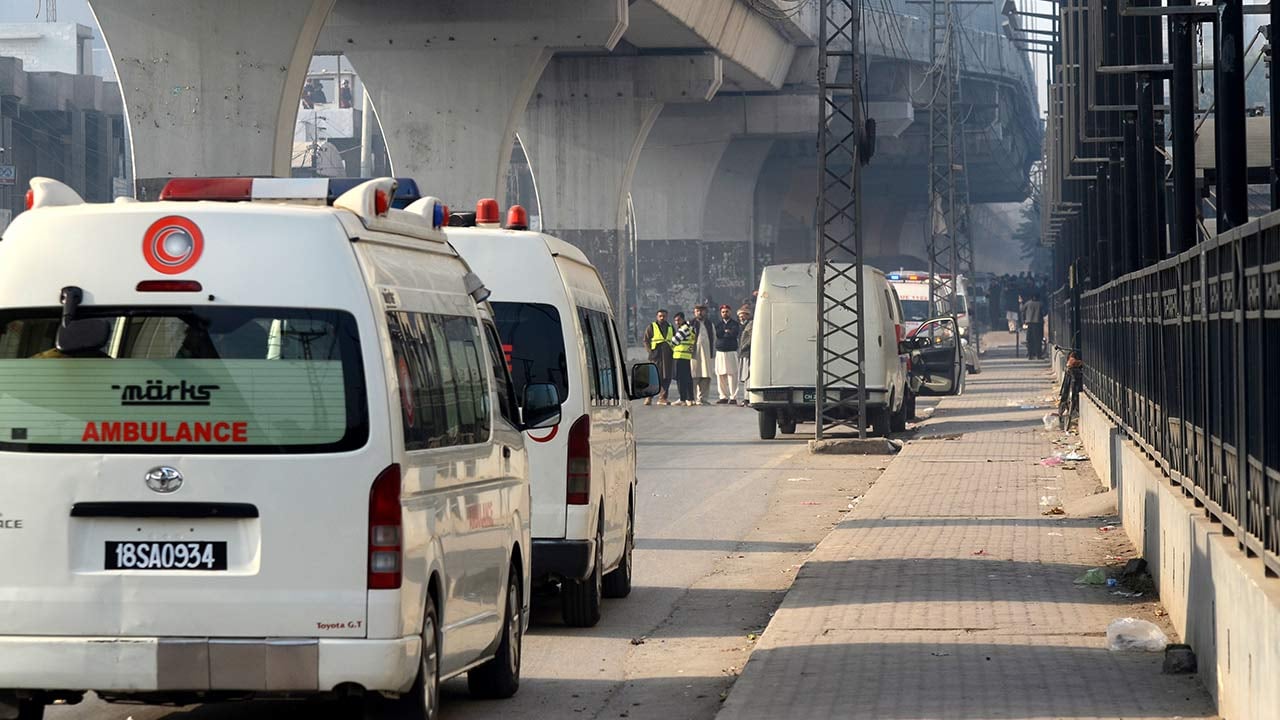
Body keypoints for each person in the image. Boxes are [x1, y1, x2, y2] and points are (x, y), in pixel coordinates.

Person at [643, 309, 674, 405]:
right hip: (656, 355)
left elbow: (675, 339)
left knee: (667, 377)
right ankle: (649, 397)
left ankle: (663, 398)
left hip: (668, 355)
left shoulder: (670, 327)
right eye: (660, 316)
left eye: (664, 316)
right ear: (657, 316)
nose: (662, 318)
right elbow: (646, 340)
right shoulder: (651, 326)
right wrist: (650, 351)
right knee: (655, 376)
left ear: (667, 316)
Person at [713, 304, 741, 404]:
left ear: (730, 312)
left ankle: (733, 397)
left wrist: (727, 333)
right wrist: (726, 332)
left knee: (732, 374)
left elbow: (734, 334)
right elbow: (718, 334)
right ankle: (723, 396)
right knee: (720, 375)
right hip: (720, 351)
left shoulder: (735, 324)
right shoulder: (718, 324)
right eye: (723, 312)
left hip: (731, 351)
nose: (725, 313)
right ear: (721, 313)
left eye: (727, 311)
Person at [669, 312, 696, 406]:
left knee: (680, 379)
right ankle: (690, 398)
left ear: (683, 319)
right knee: (688, 378)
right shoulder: (691, 328)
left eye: (678, 320)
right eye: (675, 320)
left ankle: (682, 398)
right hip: (687, 356)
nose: (677, 322)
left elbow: (674, 341)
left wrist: (670, 342)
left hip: (679, 356)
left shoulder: (683, 329)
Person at [690, 304, 715, 405]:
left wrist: (713, 353)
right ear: (694, 312)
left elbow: (714, 338)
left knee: (706, 376)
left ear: (706, 312)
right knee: (694, 375)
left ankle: (703, 398)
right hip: (694, 354)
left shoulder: (710, 324)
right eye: (697, 311)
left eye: (702, 311)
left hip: (707, 353)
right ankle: (692, 398)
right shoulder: (690, 324)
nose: (700, 313)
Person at [736, 305, 753, 407]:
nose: (741, 318)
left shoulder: (750, 325)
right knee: (745, 376)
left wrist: (744, 347)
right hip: (744, 353)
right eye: (740, 316)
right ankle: (745, 398)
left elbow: (750, 339)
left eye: (743, 315)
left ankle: (748, 398)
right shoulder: (742, 326)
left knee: (749, 376)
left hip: (748, 353)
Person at [1022, 293, 1045, 360]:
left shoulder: (1027, 303)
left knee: (1029, 340)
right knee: (1038, 340)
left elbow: (1022, 311)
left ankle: (1030, 355)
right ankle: (1039, 355)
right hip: (1038, 323)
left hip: (1029, 323)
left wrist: (1024, 320)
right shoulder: (1040, 304)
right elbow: (1044, 312)